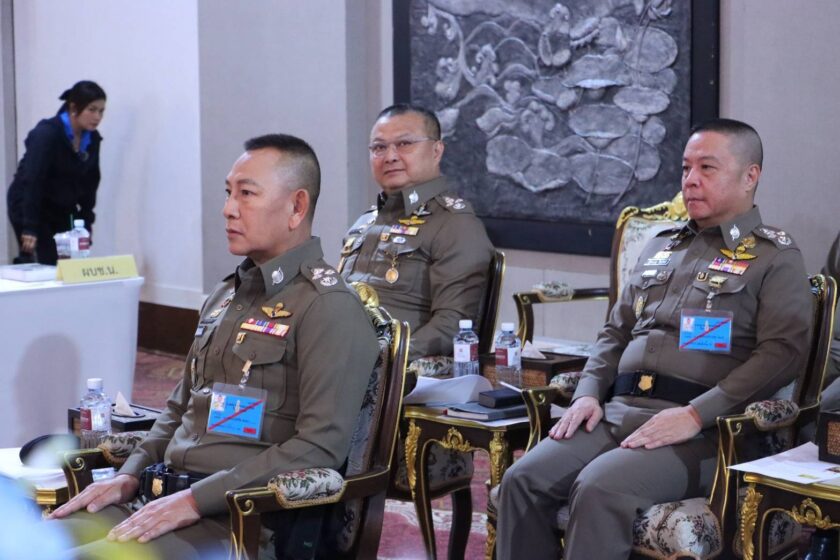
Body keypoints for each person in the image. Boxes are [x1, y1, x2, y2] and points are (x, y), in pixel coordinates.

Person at [49, 134, 380, 559]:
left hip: (243, 521)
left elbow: (319, 447)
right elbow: (177, 410)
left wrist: (195, 500)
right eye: (228, 192)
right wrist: (128, 475)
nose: (228, 208)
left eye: (246, 194)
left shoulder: (326, 306)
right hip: (160, 498)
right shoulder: (226, 296)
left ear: (296, 207)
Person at [496, 119, 813, 559]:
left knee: (598, 488)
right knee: (521, 480)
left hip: (704, 434)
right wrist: (587, 393)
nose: (690, 180)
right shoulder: (660, 246)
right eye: (685, 168)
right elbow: (615, 331)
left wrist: (696, 414)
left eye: (707, 168)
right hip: (617, 413)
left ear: (750, 176)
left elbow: (783, 355)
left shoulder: (773, 257)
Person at [339, 103, 494, 361]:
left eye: (404, 144)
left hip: (393, 370)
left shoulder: (455, 224)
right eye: (379, 147)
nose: (390, 156)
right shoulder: (364, 222)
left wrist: (379, 358)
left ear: (436, 150)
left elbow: (452, 327)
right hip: (336, 356)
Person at [7, 80, 107, 264]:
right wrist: (30, 226)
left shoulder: (92, 140)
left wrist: (86, 224)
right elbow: (33, 180)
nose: (97, 117)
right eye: (92, 110)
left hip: (61, 206)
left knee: (67, 260)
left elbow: (91, 184)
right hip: (30, 203)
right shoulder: (47, 134)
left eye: (101, 111)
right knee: (45, 260)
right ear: (74, 108)